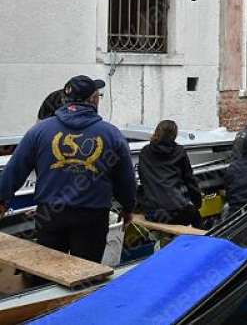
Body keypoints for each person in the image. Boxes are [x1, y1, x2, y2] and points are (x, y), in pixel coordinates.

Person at [0, 75, 136, 263]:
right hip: (92, 216)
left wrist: (3, 200)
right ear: (94, 99)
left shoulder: (39, 131)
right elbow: (125, 178)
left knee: (49, 270)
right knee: (87, 271)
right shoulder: (112, 135)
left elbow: (14, 170)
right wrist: (128, 207)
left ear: (65, 99)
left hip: (50, 214)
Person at [137, 120, 203, 228]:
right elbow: (190, 180)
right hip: (174, 211)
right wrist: (197, 202)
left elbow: (143, 179)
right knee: (197, 219)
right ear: (174, 135)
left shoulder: (144, 152)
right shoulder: (179, 152)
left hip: (151, 212)